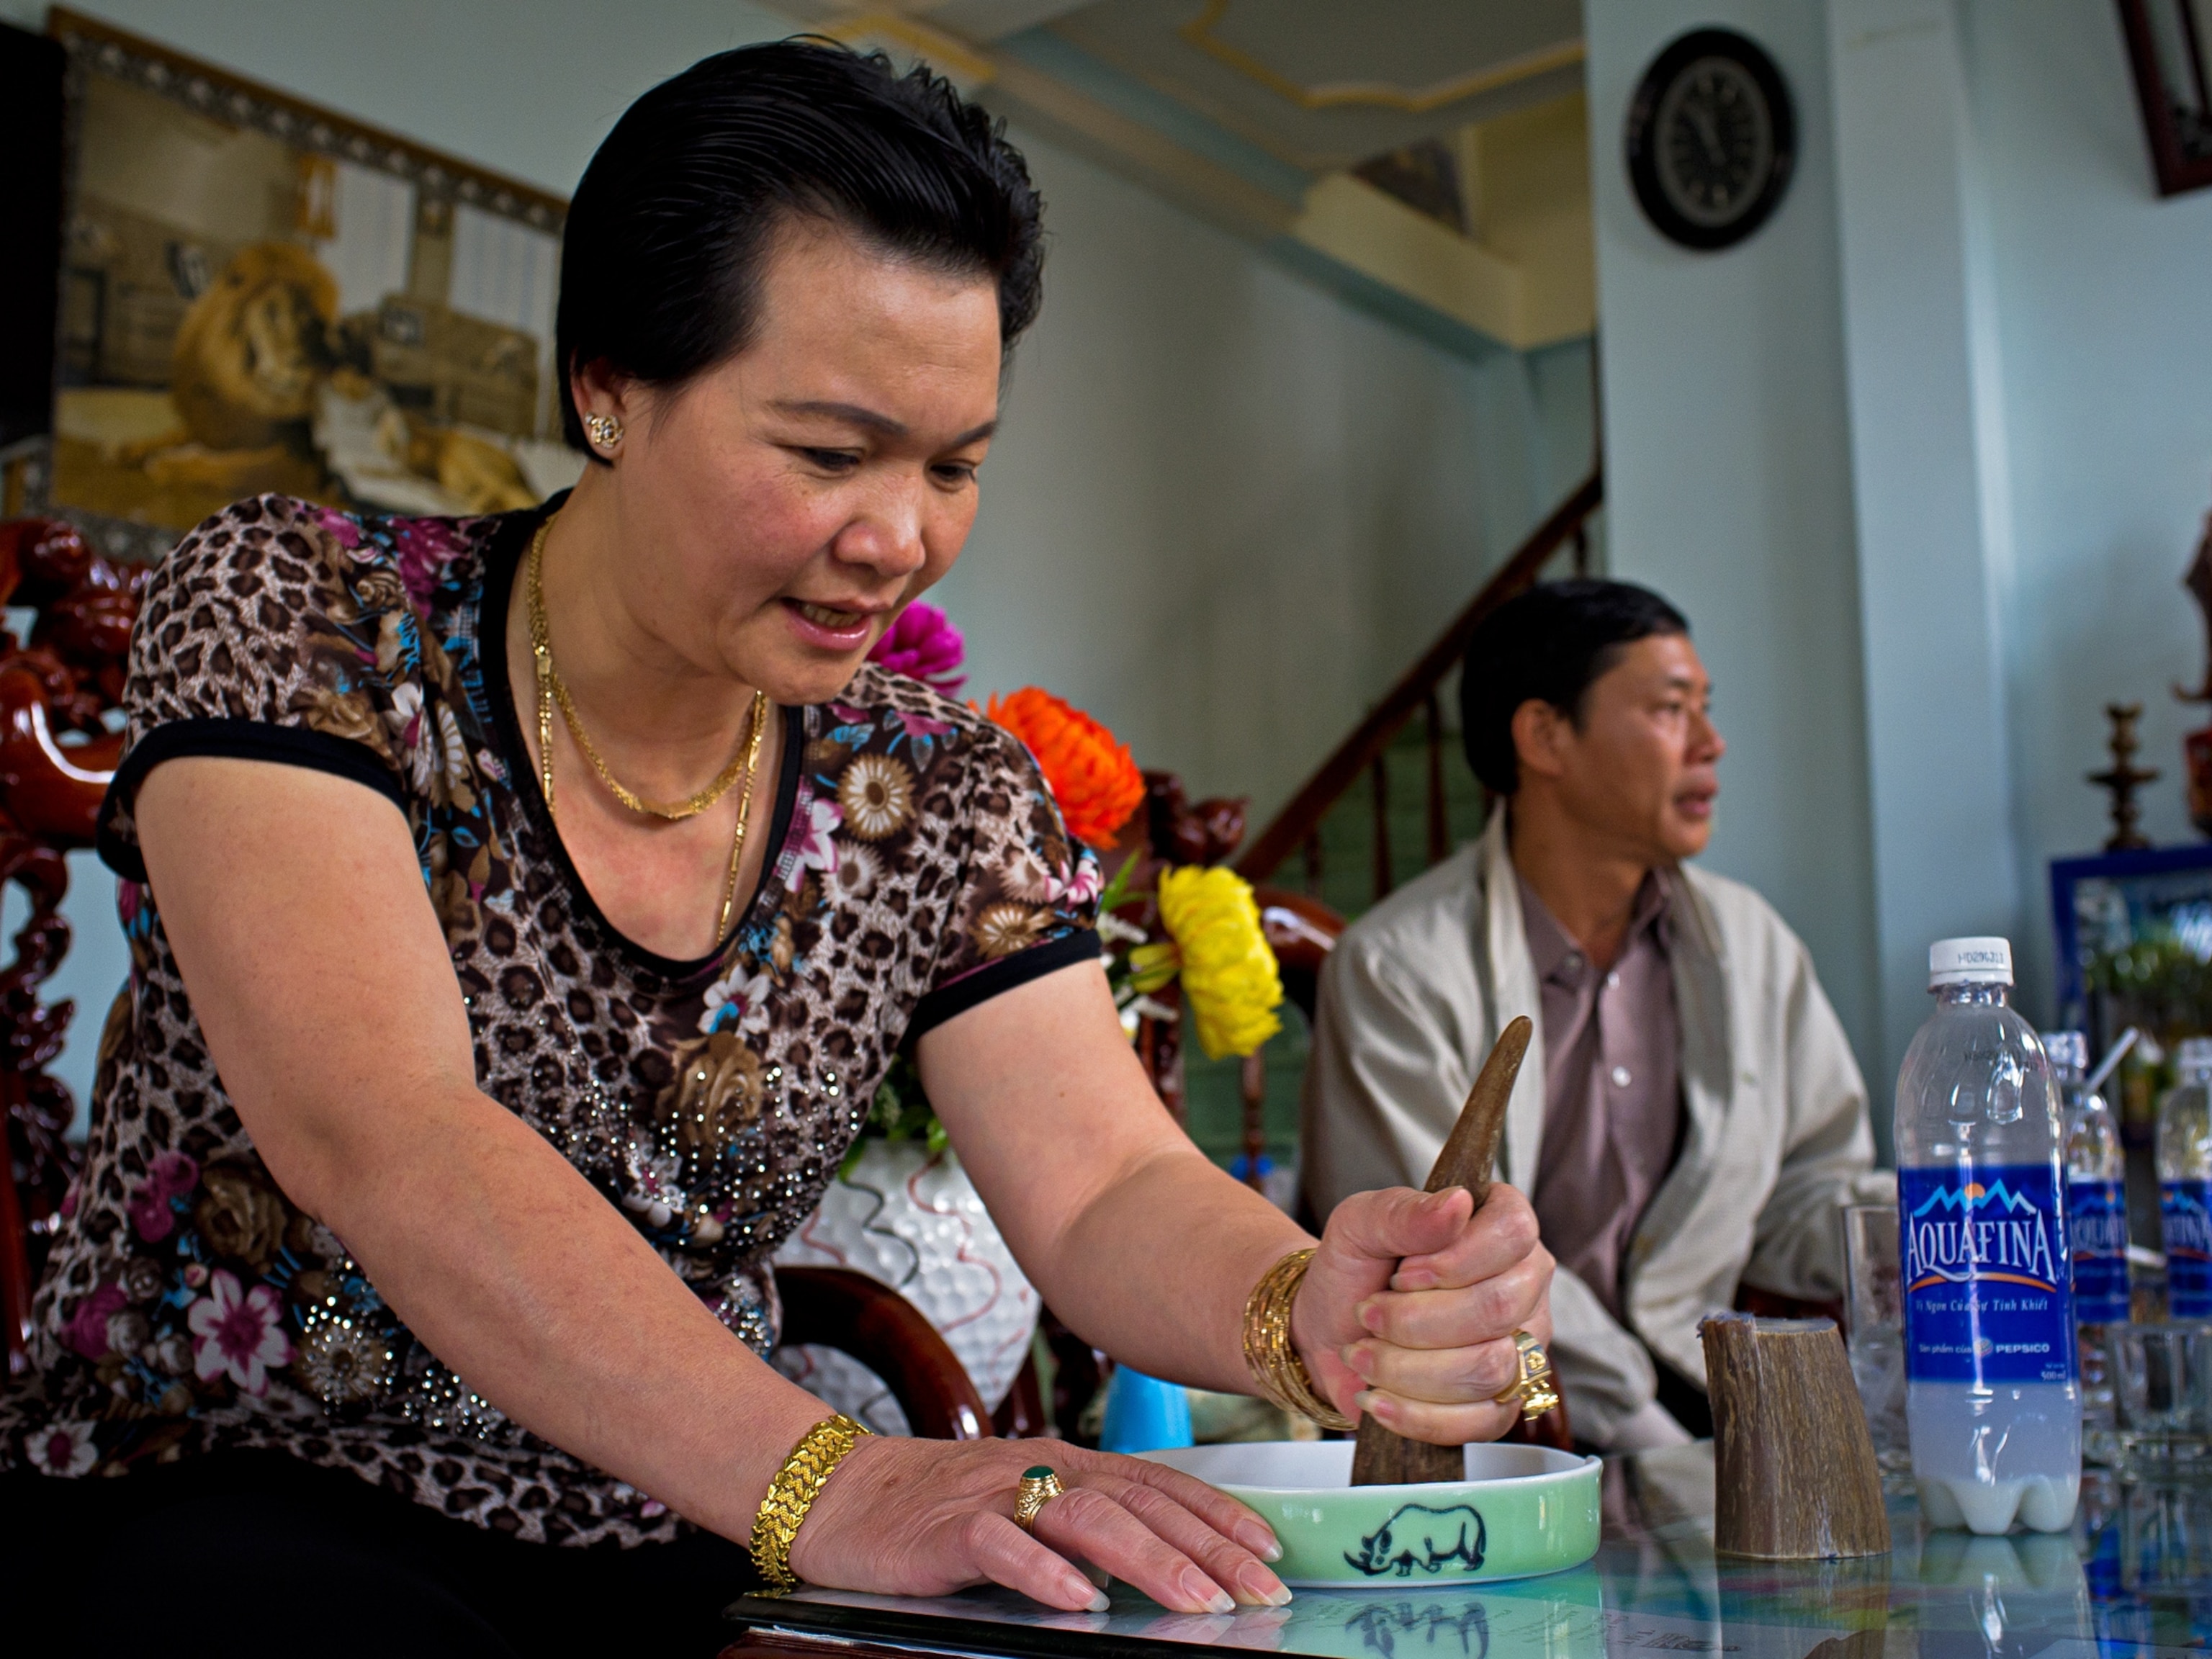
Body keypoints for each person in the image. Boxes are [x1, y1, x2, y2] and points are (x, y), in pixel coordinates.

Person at [0, 42, 1556, 1658]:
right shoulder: (306, 615)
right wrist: (834, 1483)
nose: (899, 539)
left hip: (681, 1520)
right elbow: (384, 1130)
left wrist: (1307, 1308)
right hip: (243, 1494)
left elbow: (1100, 1182)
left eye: (954, 464)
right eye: (828, 454)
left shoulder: (941, 788)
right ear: (609, 384)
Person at [1301, 580, 1889, 1453]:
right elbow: (1444, 1268)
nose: (1711, 743)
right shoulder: (1398, 970)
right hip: (1504, 1427)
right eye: (1669, 709)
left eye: (1706, 709)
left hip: (1711, 1406)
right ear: (1544, 736)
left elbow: (1804, 1196)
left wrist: (1934, 1232)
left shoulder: (1753, 946)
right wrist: (1664, 1448)